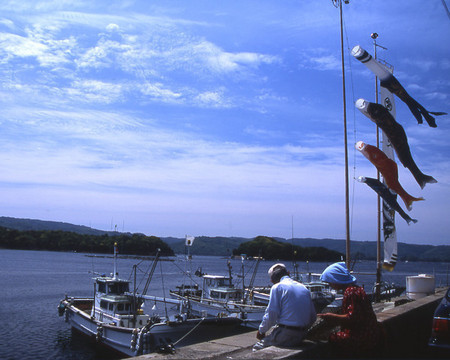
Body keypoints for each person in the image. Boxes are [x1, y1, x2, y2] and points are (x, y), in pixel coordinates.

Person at [317, 262, 383, 357]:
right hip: (372, 332)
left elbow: (352, 317)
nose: (330, 285)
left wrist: (332, 316)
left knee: (331, 338)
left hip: (364, 337)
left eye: (330, 282)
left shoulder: (350, 292)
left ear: (336, 279)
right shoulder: (358, 289)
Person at [253, 263, 316, 351]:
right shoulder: (304, 288)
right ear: (288, 273)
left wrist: (261, 331)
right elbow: (313, 317)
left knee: (256, 349)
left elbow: (271, 315)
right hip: (302, 334)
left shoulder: (277, 287)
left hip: (287, 333)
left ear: (272, 280)